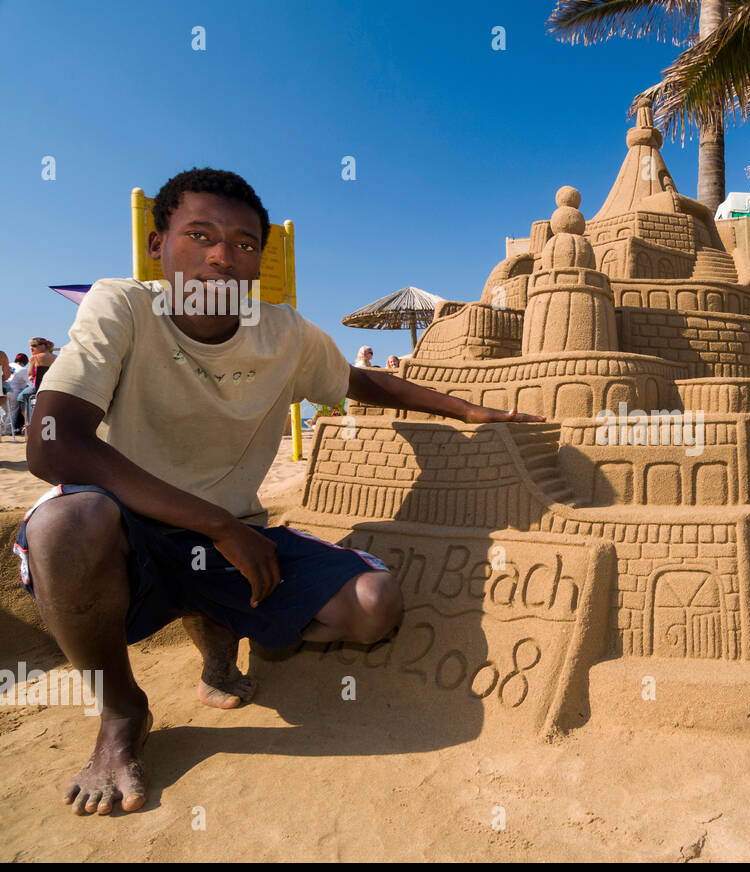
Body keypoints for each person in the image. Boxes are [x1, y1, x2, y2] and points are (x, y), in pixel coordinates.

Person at [17, 167, 545, 817]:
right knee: (63, 525)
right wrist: (215, 523)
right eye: (201, 234)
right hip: (135, 539)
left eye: (243, 243)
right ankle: (122, 711)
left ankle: (227, 646)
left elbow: (363, 382)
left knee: (374, 604)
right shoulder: (122, 305)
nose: (223, 255)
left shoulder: (284, 335)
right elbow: (51, 441)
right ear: (158, 245)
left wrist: (467, 410)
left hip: (236, 537)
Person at [7, 353, 29, 433]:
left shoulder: (9, 364)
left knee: (6, 412)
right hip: (14, 392)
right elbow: (28, 381)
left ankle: (2, 429)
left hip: (4, 389)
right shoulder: (23, 369)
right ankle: (7, 431)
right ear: (25, 362)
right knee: (12, 412)